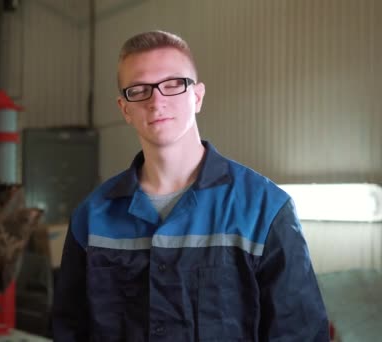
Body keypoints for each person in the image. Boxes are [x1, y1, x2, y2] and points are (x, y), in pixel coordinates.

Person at [52, 30, 329, 341]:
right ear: (124, 108)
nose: (157, 101)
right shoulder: (92, 218)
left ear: (196, 96)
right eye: (140, 90)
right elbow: (70, 331)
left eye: (173, 85)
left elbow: (299, 334)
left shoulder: (264, 210)